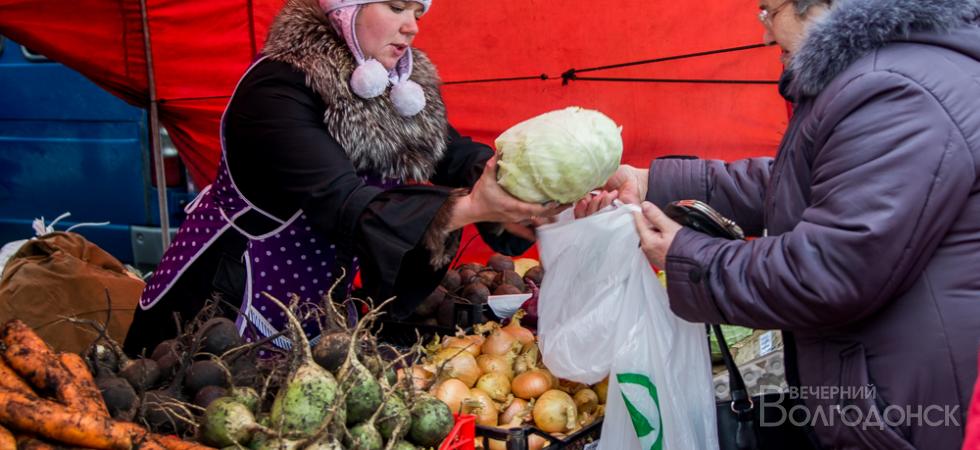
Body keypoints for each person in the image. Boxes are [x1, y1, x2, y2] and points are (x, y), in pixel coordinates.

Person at [588, 0, 980, 448]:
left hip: (912, 405)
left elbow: (830, 272)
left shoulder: (894, 87)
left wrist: (685, 256)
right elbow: (801, 179)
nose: (765, 36)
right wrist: (653, 181)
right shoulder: (895, 70)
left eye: (768, 12)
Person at [124, 0, 562, 355]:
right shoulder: (276, 89)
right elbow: (342, 199)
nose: (412, 27)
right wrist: (468, 208)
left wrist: (520, 180)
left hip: (317, 301)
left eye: (417, 12)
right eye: (396, 7)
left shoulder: (395, 87)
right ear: (344, 9)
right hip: (224, 301)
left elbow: (450, 152)